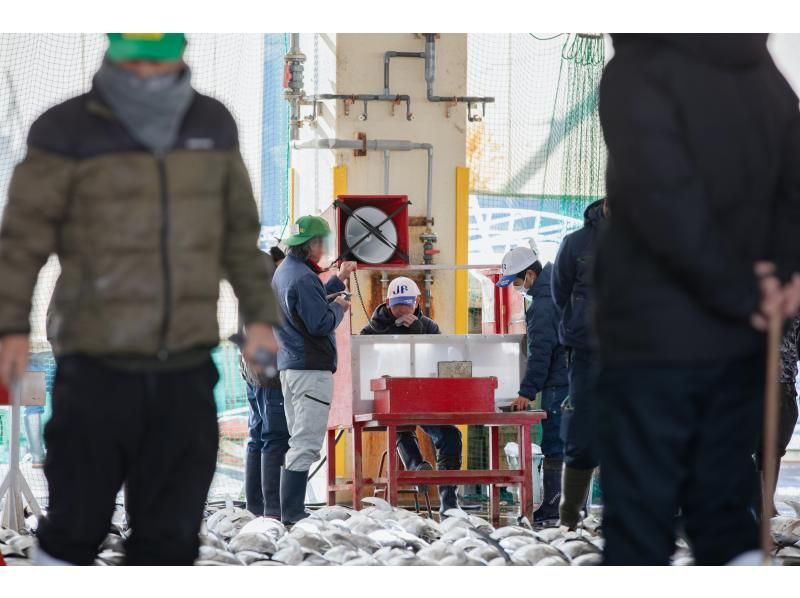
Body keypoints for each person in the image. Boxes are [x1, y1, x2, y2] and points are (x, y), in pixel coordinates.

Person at [0, 33, 281, 565]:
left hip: (186, 367)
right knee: (75, 526)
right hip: (94, 364)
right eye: (135, 59)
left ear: (181, 49)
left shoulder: (211, 125)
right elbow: (21, 242)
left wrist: (260, 319)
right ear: (114, 50)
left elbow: (239, 237)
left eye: (159, 57)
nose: (147, 73)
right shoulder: (66, 129)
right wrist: (10, 326)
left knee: (171, 540)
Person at [595, 34, 800, 565]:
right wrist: (780, 276)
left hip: (653, 337)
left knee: (641, 515)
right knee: (723, 507)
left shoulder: (639, 71)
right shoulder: (766, 78)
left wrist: (735, 290)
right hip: (744, 340)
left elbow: (662, 198)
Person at [271, 215, 356, 525]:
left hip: (290, 369)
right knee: (306, 443)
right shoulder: (303, 278)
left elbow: (306, 304)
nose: (324, 250)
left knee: (298, 439)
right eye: (322, 243)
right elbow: (319, 322)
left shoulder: (285, 273)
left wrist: (339, 279)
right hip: (310, 371)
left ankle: (289, 511)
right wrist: (340, 308)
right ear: (313, 245)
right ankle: (292, 513)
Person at [360, 276, 463, 515]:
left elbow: (439, 360)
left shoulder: (429, 327)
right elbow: (363, 362)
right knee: (400, 427)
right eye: (398, 305)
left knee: (451, 435)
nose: (403, 310)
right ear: (387, 303)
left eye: (408, 303)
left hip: (424, 399)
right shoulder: (372, 330)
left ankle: (449, 503)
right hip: (389, 402)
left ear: (417, 302)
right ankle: (417, 469)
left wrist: (417, 334)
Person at [497, 243, 568, 524]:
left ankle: (553, 510)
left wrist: (526, 392)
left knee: (555, 445)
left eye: (516, 281)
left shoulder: (543, 304)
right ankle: (573, 509)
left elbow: (541, 353)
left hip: (562, 384)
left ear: (529, 275)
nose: (516, 287)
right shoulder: (560, 289)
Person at [550, 198, 607, 529]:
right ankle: (569, 518)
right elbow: (561, 292)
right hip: (585, 352)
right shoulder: (575, 242)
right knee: (582, 431)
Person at [240, 246, 289, 518]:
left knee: (257, 436)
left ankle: (255, 508)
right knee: (274, 437)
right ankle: (272, 510)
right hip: (268, 373)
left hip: (252, 371)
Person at [756, 314, 800, 517]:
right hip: (746, 381)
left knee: (773, 449)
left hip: (781, 383)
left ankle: (766, 507)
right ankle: (759, 507)